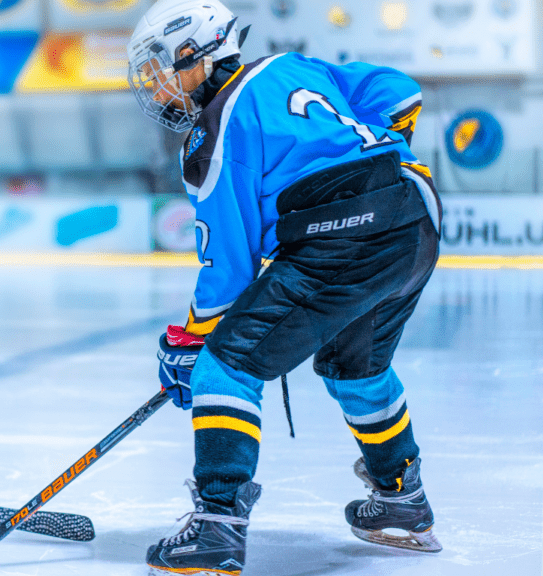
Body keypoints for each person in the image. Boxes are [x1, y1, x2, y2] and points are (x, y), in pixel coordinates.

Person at [127, 1, 443, 573]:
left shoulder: (212, 133)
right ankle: (402, 499)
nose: (158, 85)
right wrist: (371, 154)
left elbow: (228, 272)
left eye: (162, 66)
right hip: (415, 213)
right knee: (358, 366)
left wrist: (192, 344)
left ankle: (218, 524)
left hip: (344, 230)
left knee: (225, 366)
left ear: (200, 52)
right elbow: (400, 93)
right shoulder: (293, 67)